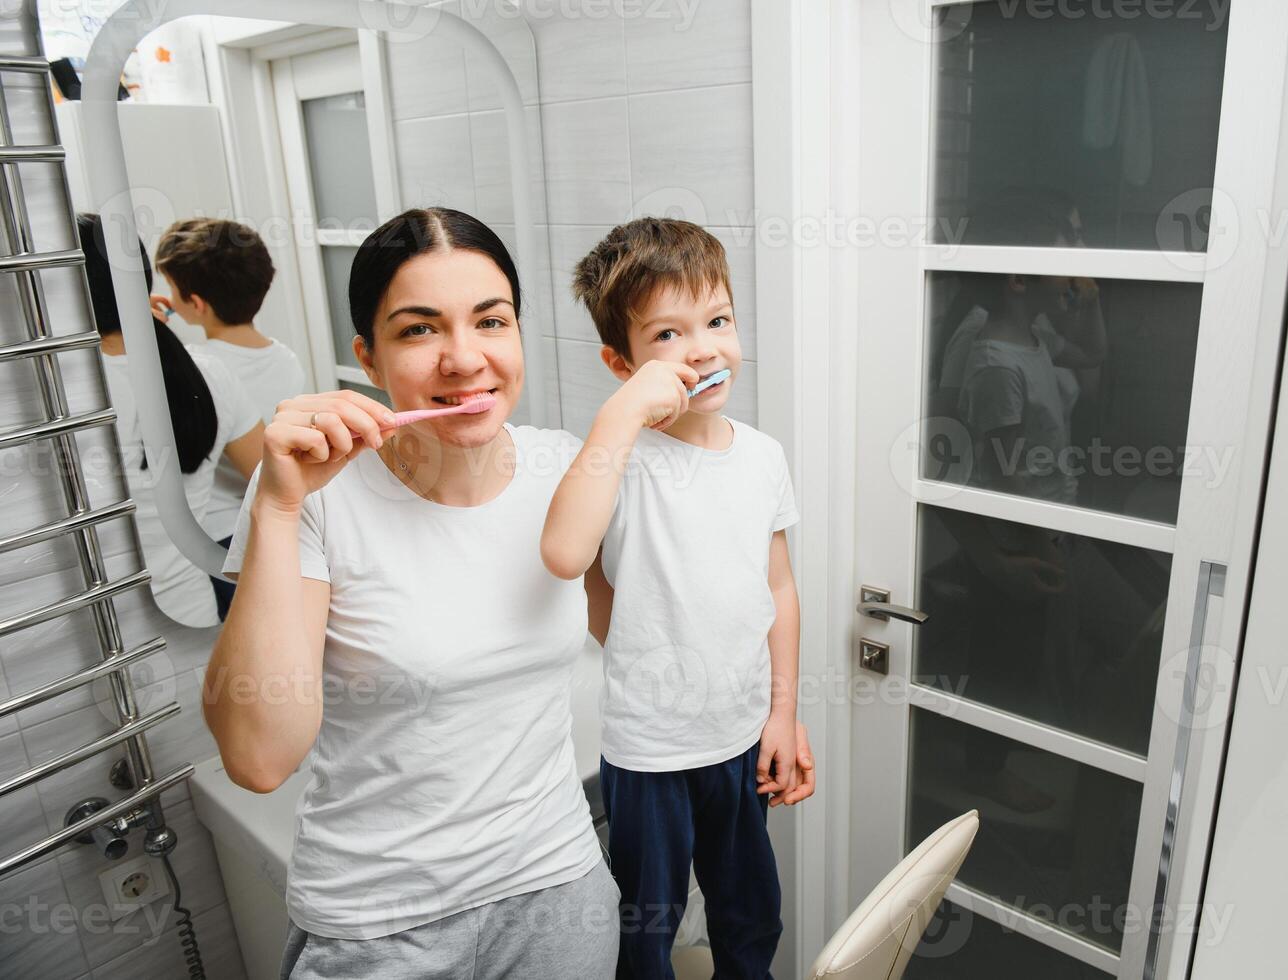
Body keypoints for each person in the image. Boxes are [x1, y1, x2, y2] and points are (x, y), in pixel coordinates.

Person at [203, 208, 814, 980]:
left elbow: (671, 610)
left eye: (491, 321)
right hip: (383, 923)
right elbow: (259, 759)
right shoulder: (318, 493)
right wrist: (279, 508)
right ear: (368, 354)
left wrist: (771, 715)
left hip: (562, 899)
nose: (465, 358)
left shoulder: (571, 468)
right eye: (420, 330)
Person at [541, 217, 808, 979]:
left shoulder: (762, 458)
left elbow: (779, 589)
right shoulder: (618, 460)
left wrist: (783, 713)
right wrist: (634, 646)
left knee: (750, 912)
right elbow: (574, 561)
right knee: (645, 930)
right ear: (619, 362)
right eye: (668, 334)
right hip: (650, 751)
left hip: (742, 734)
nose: (704, 348)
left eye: (718, 320)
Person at [79, 213, 263, 628]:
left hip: (95, 633)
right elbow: (268, 478)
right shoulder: (207, 371)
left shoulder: (55, 401)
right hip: (192, 616)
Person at [151, 217, 306, 620]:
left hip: (220, 536)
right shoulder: (285, 358)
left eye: (171, 287)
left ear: (197, 304)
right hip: (276, 529)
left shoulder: (200, 370)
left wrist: (157, 338)